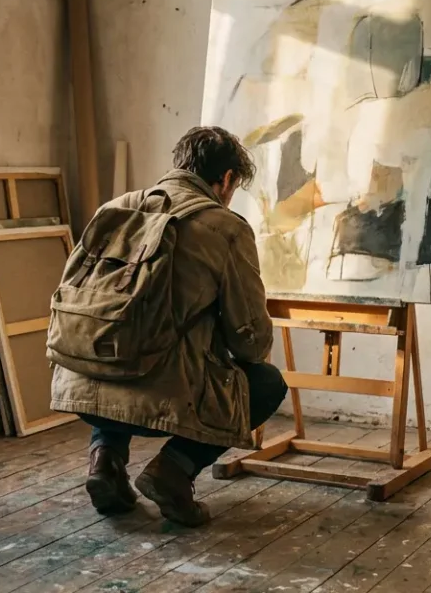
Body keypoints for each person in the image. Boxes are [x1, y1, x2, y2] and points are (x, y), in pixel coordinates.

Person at [49, 125, 287, 527]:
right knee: (266, 383)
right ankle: (173, 471)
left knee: (119, 344)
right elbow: (249, 339)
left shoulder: (116, 208)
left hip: (78, 381)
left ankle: (104, 459)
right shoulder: (226, 227)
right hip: (160, 395)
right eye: (233, 186)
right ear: (226, 179)